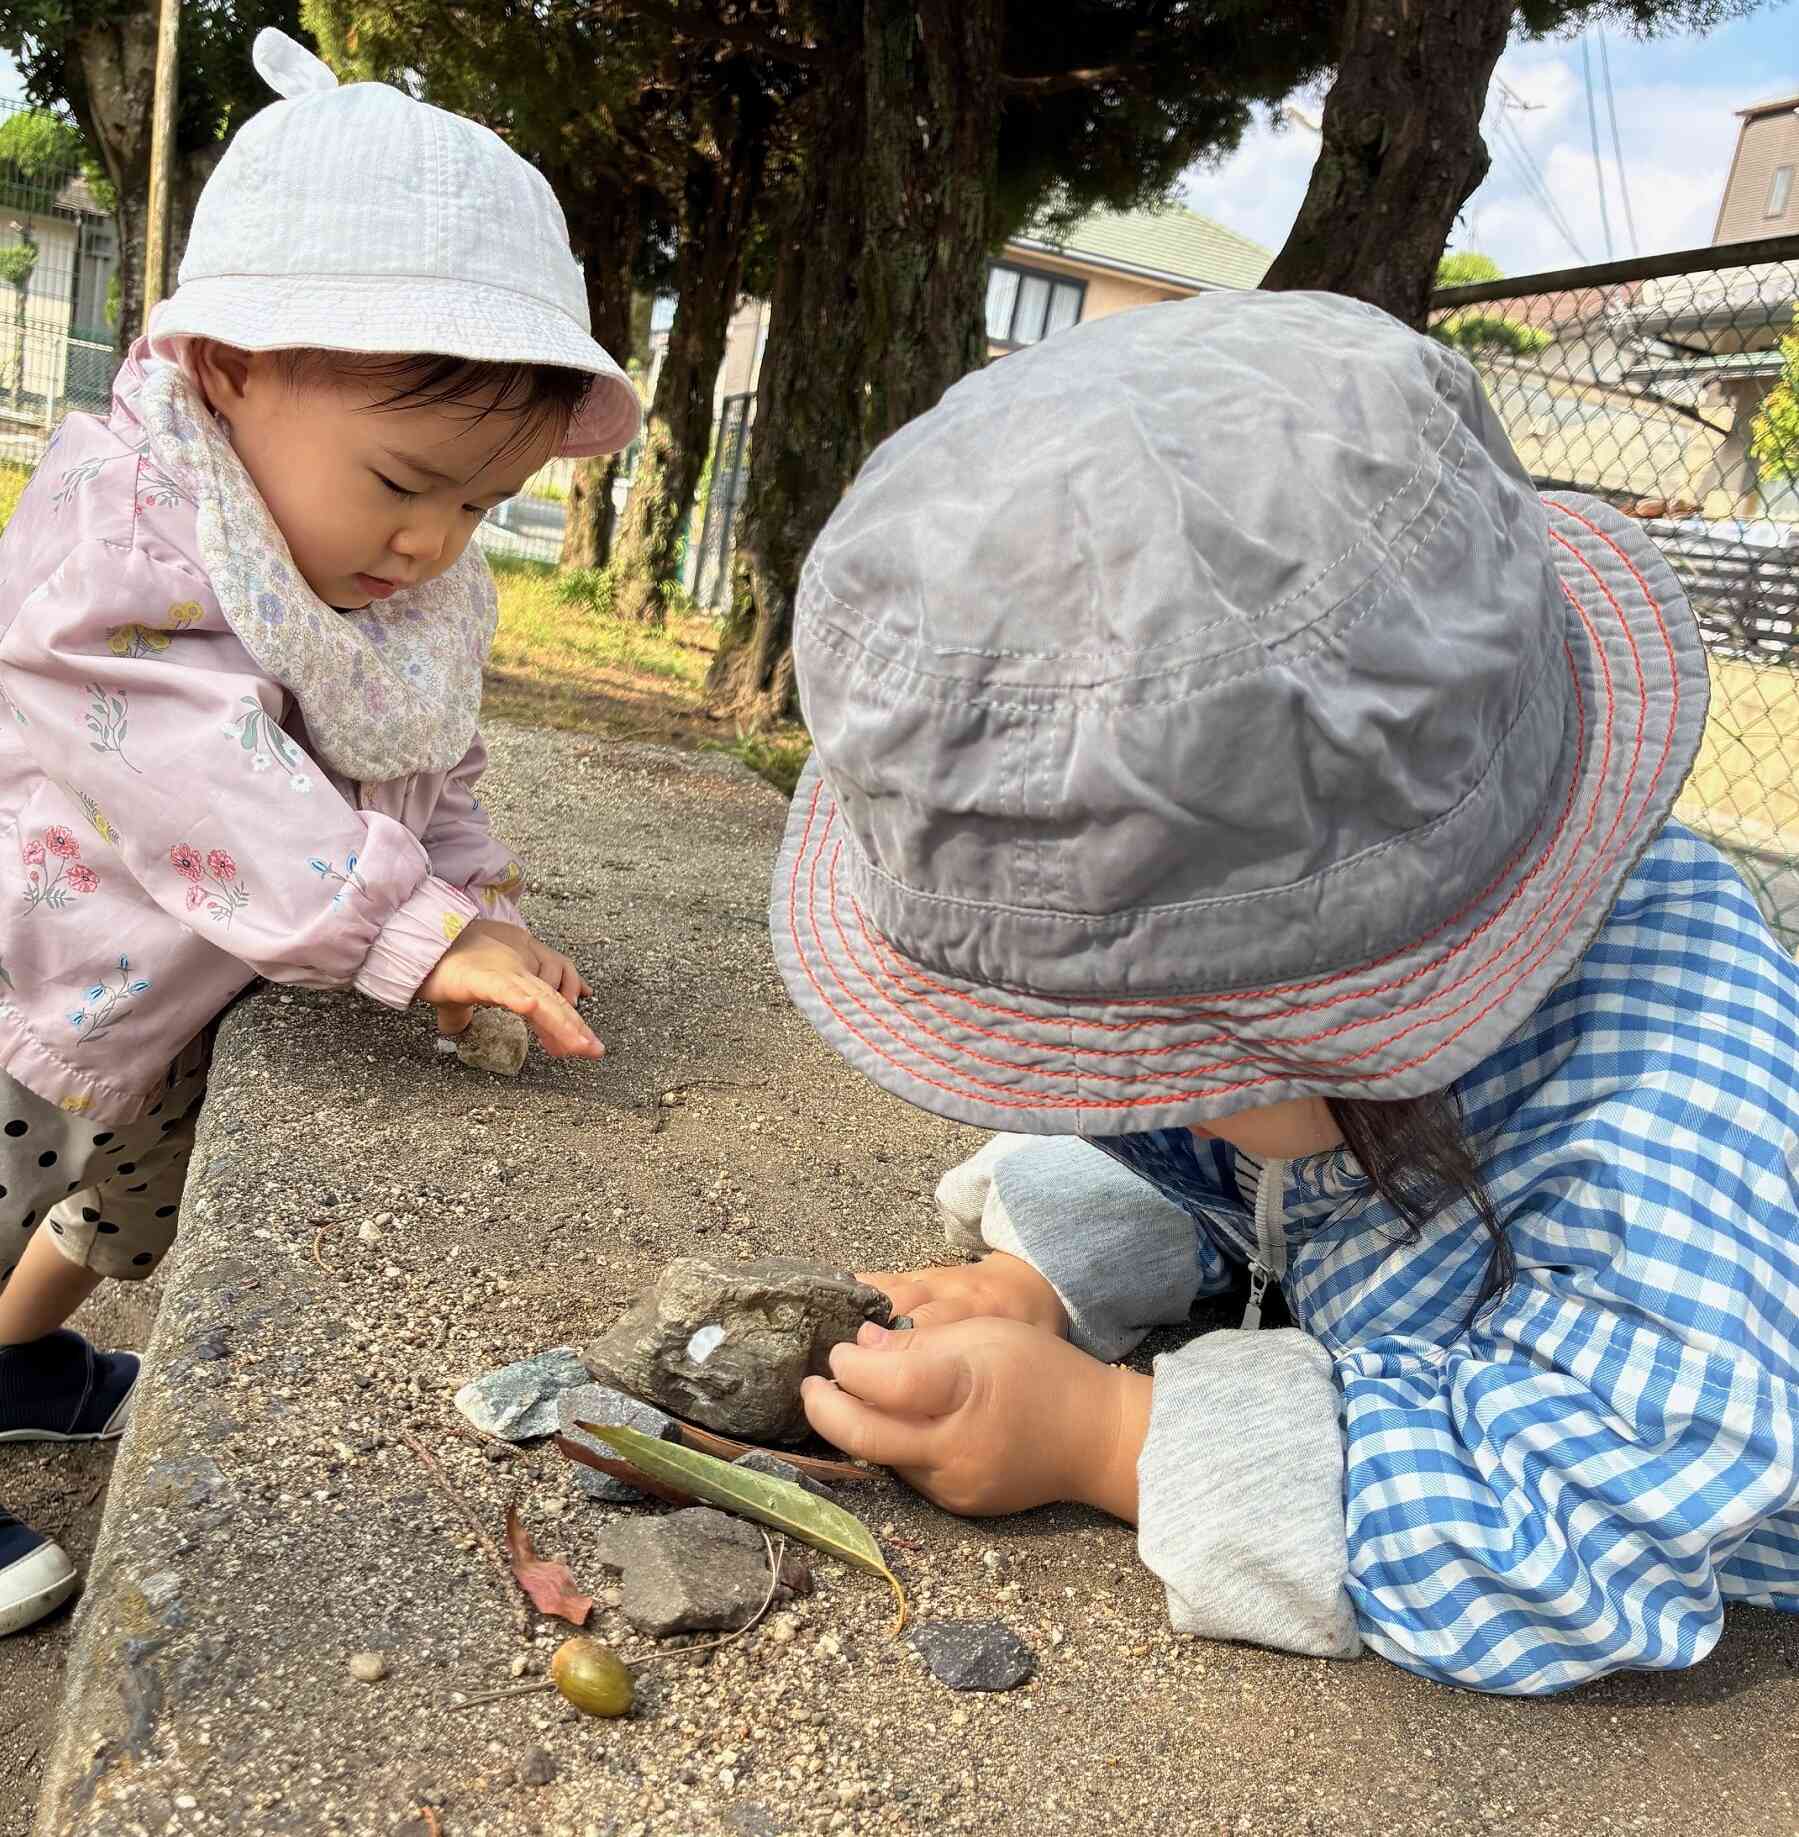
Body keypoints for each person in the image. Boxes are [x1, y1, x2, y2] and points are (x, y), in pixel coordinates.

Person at [777, 288, 1799, 1695]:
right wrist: (1047, 1277)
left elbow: (1602, 1514)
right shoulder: (1301, 1038)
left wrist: (1112, 1437)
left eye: (1131, 1047)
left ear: (1343, 1006)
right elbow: (1217, 1151)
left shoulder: (1668, 1089)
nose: (1101, 1092)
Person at [0, 29, 639, 1636]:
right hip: (34, 973)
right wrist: (412, 933)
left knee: (117, 1202)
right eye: (407, 482)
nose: (433, 543)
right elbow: (203, 780)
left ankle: (15, 1353)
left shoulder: (389, 566)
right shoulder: (125, 528)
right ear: (228, 364)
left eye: (485, 507)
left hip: (173, 999)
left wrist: (476, 891)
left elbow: (432, 744)